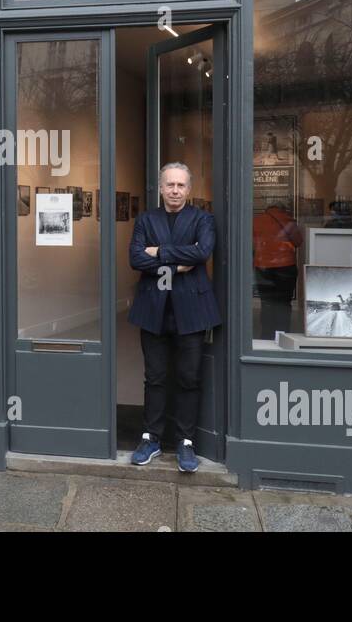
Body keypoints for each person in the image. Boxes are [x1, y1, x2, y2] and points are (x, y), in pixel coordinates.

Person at [127, 162, 221, 473]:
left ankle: (185, 441)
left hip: (191, 311)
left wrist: (158, 252)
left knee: (188, 379)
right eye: (170, 185)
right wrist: (178, 259)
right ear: (161, 187)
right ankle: (151, 438)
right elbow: (135, 258)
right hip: (153, 310)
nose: (175, 191)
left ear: (189, 189)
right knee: (154, 378)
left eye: (181, 185)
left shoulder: (202, 218)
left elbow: (202, 253)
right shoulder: (145, 219)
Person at [252, 201, 303, 340]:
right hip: (286, 266)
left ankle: (266, 335)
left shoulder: (256, 220)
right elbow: (298, 242)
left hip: (263, 266)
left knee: (267, 302)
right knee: (284, 303)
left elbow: (251, 244)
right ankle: (283, 335)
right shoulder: (288, 220)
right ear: (283, 209)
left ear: (267, 209)